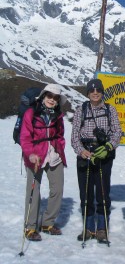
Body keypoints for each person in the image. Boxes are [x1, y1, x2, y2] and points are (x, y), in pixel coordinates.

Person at [71, 78, 122, 244]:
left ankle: (101, 227)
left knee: (102, 192)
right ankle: (88, 227)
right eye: (92, 91)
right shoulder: (81, 110)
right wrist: (81, 151)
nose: (95, 93)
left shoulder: (110, 110)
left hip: (103, 156)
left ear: (102, 92)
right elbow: (74, 136)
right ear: (88, 93)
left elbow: (117, 132)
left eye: (98, 90)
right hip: (85, 154)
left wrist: (108, 147)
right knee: (85, 193)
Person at [20, 84, 67, 241]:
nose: (52, 100)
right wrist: (30, 154)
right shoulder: (31, 113)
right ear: (43, 96)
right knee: (33, 192)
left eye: (55, 98)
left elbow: (60, 135)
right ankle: (30, 227)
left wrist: (60, 148)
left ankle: (48, 222)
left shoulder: (58, 115)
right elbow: (25, 137)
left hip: (54, 155)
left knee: (57, 189)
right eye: (49, 96)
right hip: (35, 155)